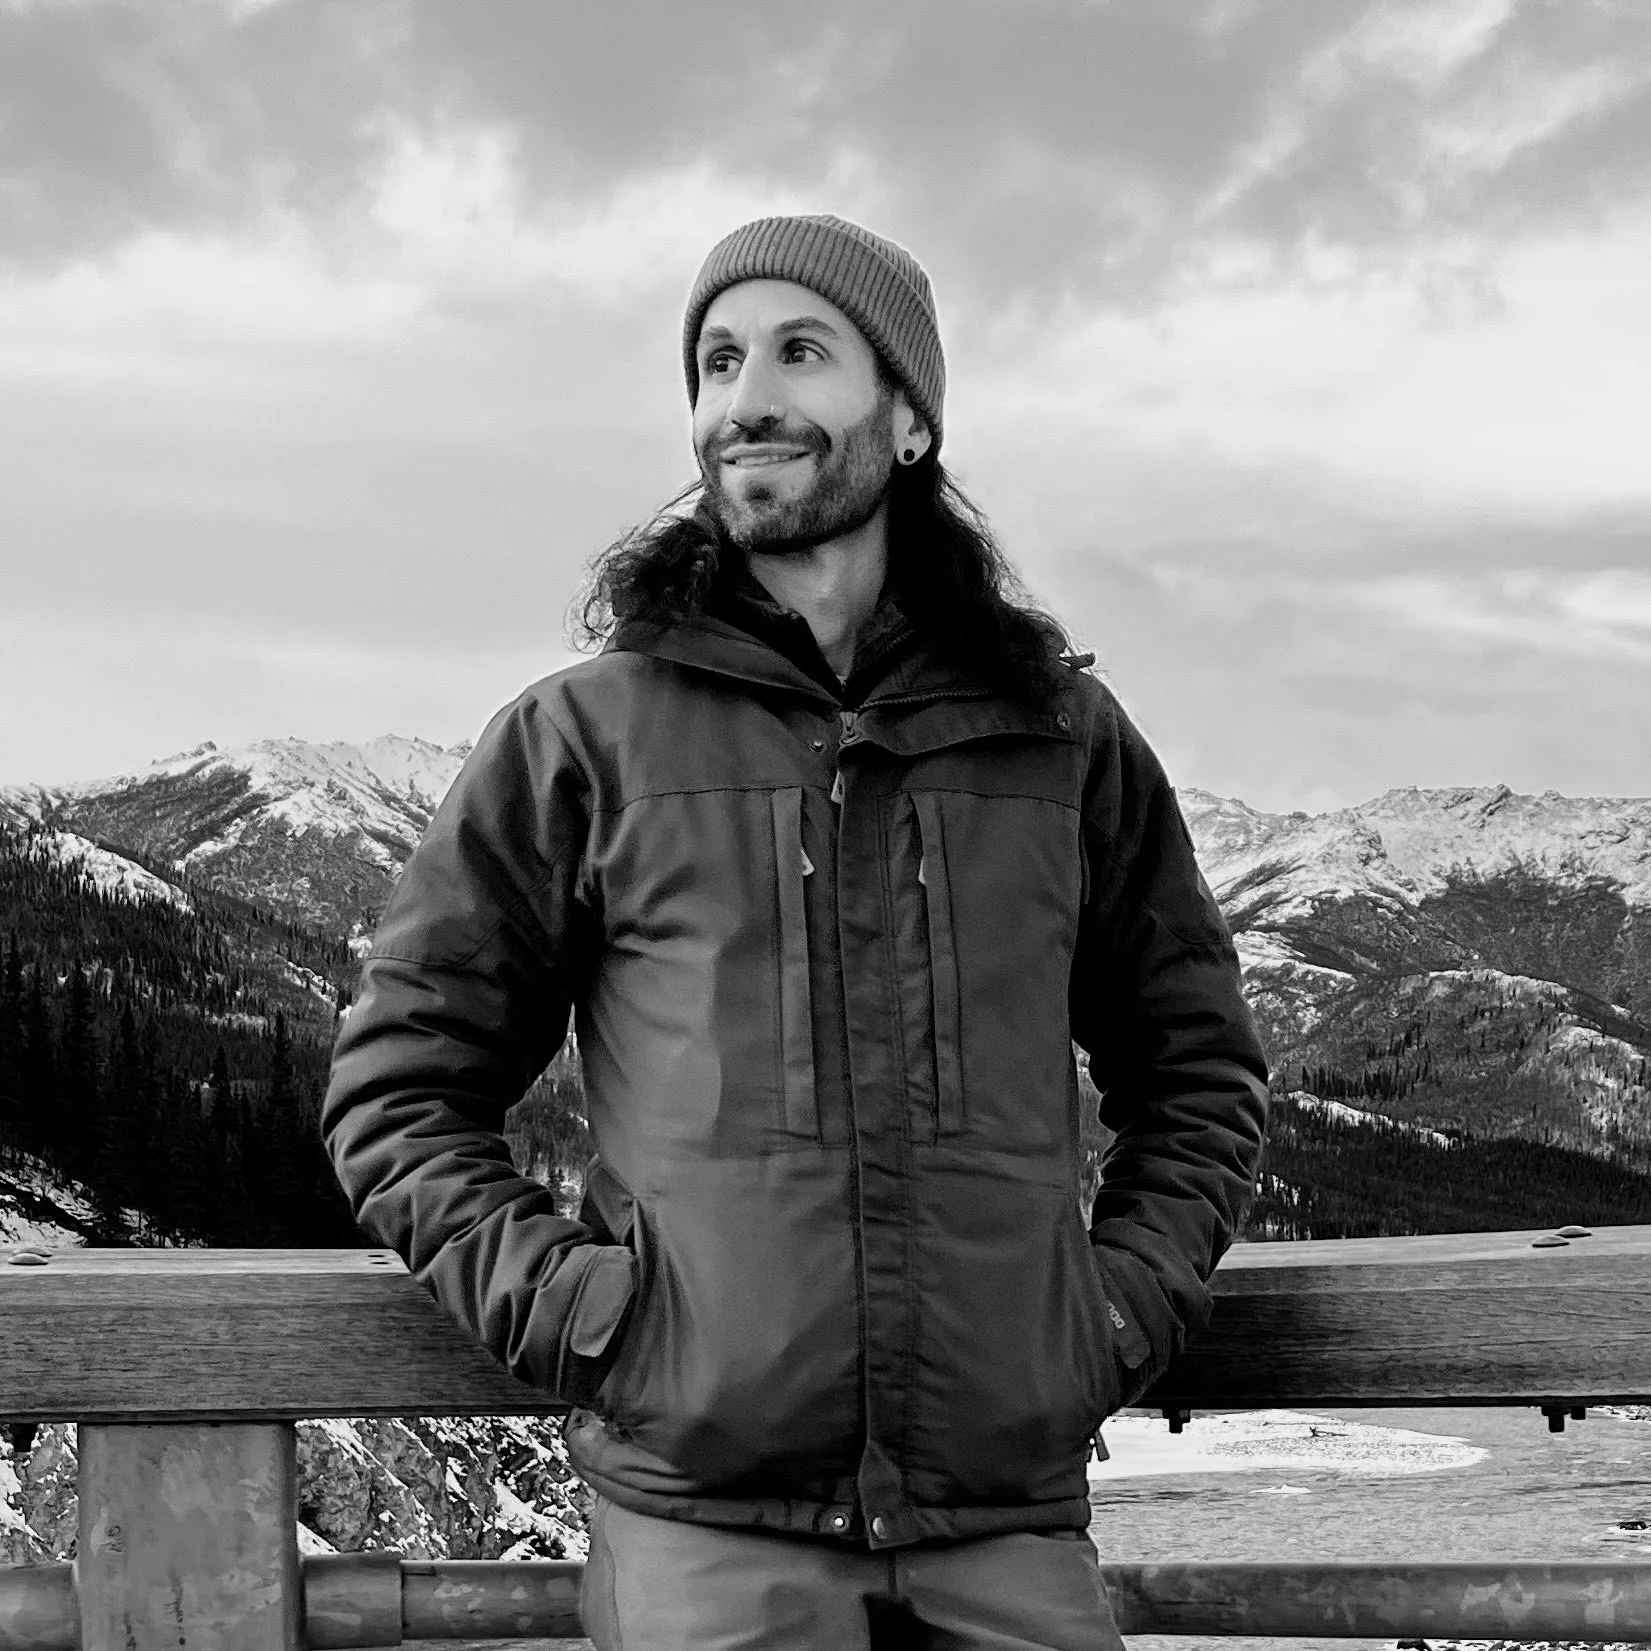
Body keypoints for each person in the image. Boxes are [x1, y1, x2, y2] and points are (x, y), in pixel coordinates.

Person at [321, 213, 1270, 1649]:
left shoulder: (1059, 738)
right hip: (699, 1529)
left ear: (904, 421)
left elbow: (1196, 1075)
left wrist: (1108, 1314)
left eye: (798, 350)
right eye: (714, 361)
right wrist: (599, 1324)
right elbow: (396, 1090)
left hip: (1003, 1519)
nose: (742, 397)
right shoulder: (584, 738)